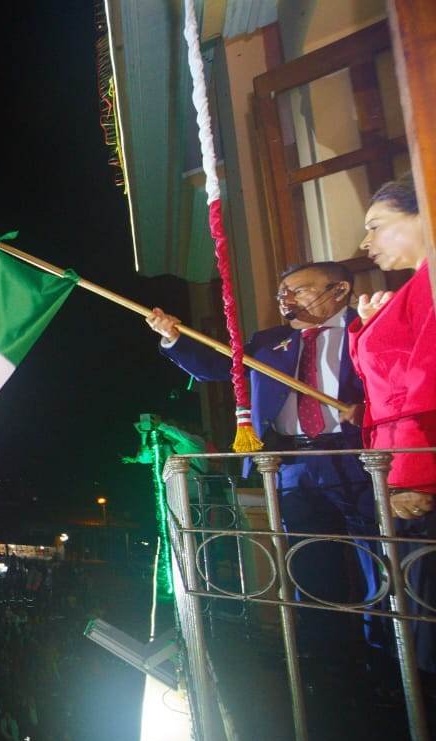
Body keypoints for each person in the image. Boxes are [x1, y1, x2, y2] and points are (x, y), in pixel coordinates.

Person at [148, 264, 379, 661]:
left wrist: (369, 410)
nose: (286, 301)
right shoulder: (269, 342)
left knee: (377, 554)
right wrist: (173, 338)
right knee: (308, 559)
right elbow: (215, 368)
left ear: (339, 290)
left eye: (299, 291)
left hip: (356, 455)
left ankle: (387, 648)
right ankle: (329, 655)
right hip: (291, 461)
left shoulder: (368, 325)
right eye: (281, 294)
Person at [351, 175, 436, 672]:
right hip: (399, 467)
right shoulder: (411, 288)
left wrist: (412, 475)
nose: (366, 242)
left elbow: (424, 385)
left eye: (378, 226)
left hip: (418, 470)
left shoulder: (428, 285)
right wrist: (368, 326)